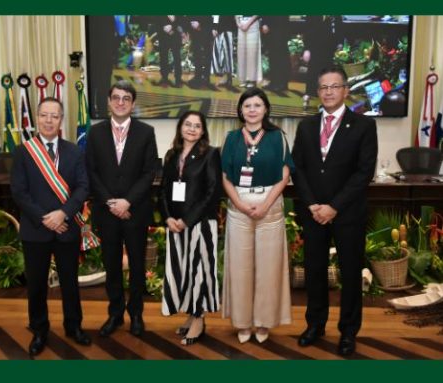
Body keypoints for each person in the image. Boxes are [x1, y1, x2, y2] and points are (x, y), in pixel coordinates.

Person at [291, 66, 378, 356]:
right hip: (313, 213)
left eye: (334, 86)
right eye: (323, 87)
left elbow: (364, 172)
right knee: (314, 272)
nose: (328, 91)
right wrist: (313, 204)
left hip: (347, 214)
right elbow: (298, 168)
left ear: (345, 90)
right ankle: (315, 325)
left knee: (350, 273)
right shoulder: (305, 126)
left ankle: (348, 332)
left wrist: (334, 206)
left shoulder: (364, 126)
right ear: (318, 92)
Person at [10, 97, 92, 357]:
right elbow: (19, 193)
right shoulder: (24, 151)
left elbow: (83, 187)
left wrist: (63, 214)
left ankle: (73, 326)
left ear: (61, 120)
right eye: (44, 115)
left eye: (54, 116)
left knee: (70, 282)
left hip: (66, 228)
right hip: (36, 230)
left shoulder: (74, 151)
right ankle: (39, 329)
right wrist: (47, 218)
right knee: (36, 285)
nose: (48, 120)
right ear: (37, 118)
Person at [86, 80, 158, 338]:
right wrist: (111, 202)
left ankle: (136, 314)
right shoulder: (95, 133)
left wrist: (127, 202)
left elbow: (150, 172)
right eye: (115, 97)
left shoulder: (146, 132)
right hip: (107, 213)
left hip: (135, 211)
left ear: (133, 103)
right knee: (112, 265)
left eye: (126, 98)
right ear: (108, 101)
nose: (120, 102)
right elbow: (91, 172)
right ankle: (115, 313)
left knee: (137, 265)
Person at [221, 87, 293, 344]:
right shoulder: (231, 138)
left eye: (257, 105)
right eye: (247, 105)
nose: (252, 110)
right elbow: (225, 177)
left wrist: (265, 204)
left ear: (266, 110)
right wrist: (239, 203)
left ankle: (263, 322)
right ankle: (242, 322)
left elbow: (285, 174)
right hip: (239, 207)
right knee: (240, 268)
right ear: (240, 110)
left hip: (269, 206)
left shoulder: (278, 137)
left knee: (268, 268)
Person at [160, 111, 222, 345]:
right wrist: (168, 218)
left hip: (200, 224)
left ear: (203, 131)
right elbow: (164, 190)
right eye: (188, 124)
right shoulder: (171, 155)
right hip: (175, 225)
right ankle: (190, 314)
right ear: (180, 127)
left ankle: (199, 319)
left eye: (197, 126)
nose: (192, 129)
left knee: (199, 272)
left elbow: (212, 193)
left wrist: (187, 220)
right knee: (183, 272)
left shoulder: (211, 154)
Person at [260, 16, 292, 92]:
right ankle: (274, 81)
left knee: (281, 57)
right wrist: (264, 23)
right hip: (271, 30)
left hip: (280, 29)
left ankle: (282, 83)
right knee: (272, 56)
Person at [185, 16, 215, 89]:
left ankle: (206, 78)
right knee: (197, 57)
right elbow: (188, 18)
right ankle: (198, 77)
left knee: (207, 56)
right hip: (194, 34)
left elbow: (210, 18)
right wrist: (191, 24)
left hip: (206, 32)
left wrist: (200, 25)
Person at [155, 15, 184, 87]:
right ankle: (164, 78)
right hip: (163, 35)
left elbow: (182, 20)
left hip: (175, 35)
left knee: (177, 57)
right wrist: (163, 28)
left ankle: (178, 79)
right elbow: (157, 19)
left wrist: (173, 25)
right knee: (163, 57)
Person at [235, 15, 263, 88]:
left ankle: (252, 80)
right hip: (241, 23)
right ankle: (242, 79)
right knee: (241, 53)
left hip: (252, 23)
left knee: (252, 53)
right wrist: (238, 23)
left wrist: (248, 24)